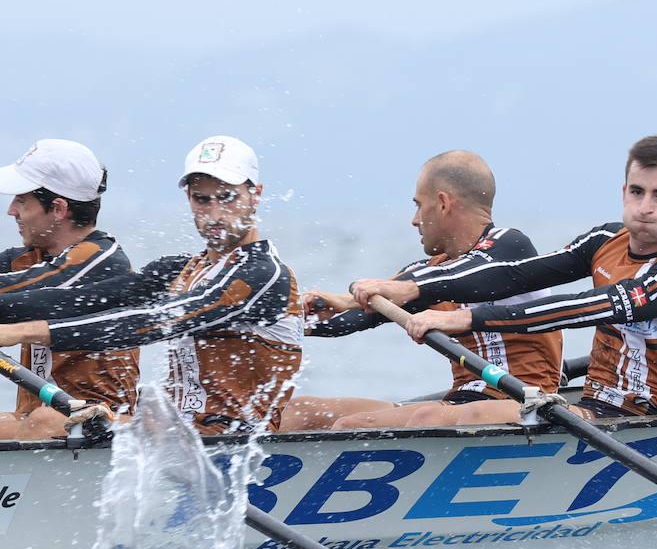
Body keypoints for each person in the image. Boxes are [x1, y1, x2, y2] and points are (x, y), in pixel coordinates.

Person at [346, 133, 657, 422]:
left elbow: (579, 308)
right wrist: (414, 288)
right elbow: (515, 275)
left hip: (649, 420)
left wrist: (465, 318)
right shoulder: (606, 239)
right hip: (592, 409)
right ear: (624, 192)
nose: (645, 207)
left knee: (464, 416)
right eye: (637, 192)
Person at [0, 136, 303, 434]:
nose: (214, 214)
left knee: (45, 422)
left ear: (256, 195)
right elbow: (88, 299)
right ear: (189, 199)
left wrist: (20, 332)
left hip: (234, 442)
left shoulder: (264, 274)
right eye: (201, 199)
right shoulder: (181, 269)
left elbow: (149, 322)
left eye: (226, 198)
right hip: (181, 434)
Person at [284, 151, 563, 430]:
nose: (414, 220)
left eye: (418, 206)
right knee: (299, 411)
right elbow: (358, 317)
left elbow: (459, 277)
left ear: (443, 203)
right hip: (461, 402)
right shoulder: (428, 272)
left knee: (363, 425)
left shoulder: (510, 247)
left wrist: (354, 297)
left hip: (525, 401)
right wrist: (291, 316)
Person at [0, 139, 140, 438]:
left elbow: (12, 298)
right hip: (38, 421)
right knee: (36, 419)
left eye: (21, 201)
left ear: (58, 208)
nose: (11, 210)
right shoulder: (31, 259)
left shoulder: (102, 263)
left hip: (100, 427)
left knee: (43, 419)